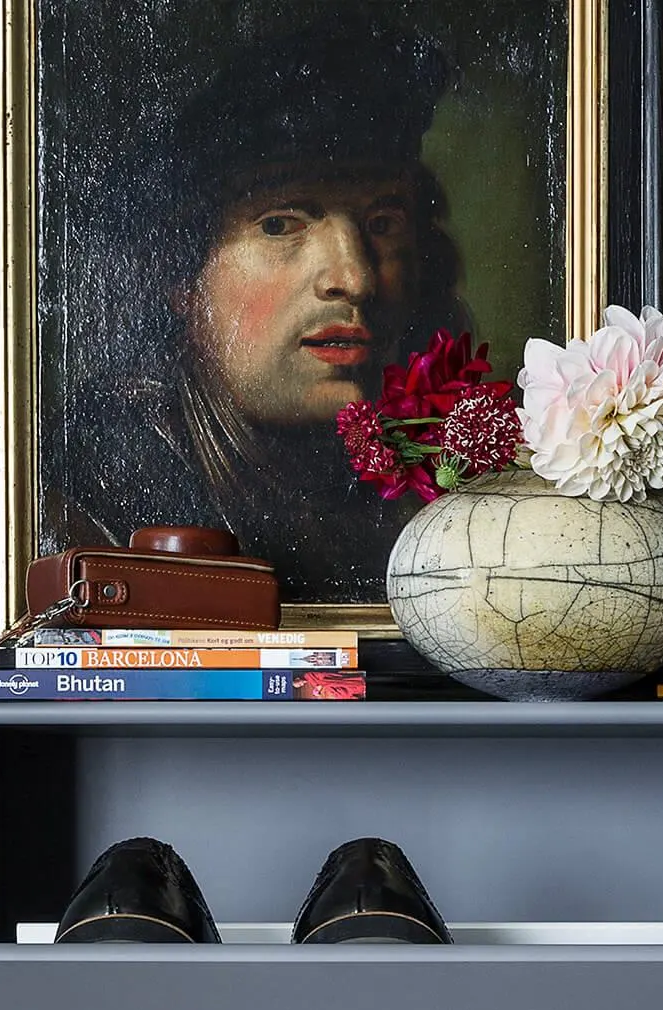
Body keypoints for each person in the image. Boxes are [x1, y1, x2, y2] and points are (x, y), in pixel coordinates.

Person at [52, 24, 469, 601]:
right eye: (279, 225)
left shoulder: (444, 469)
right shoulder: (95, 486)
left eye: (382, 223)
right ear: (183, 276)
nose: (355, 279)